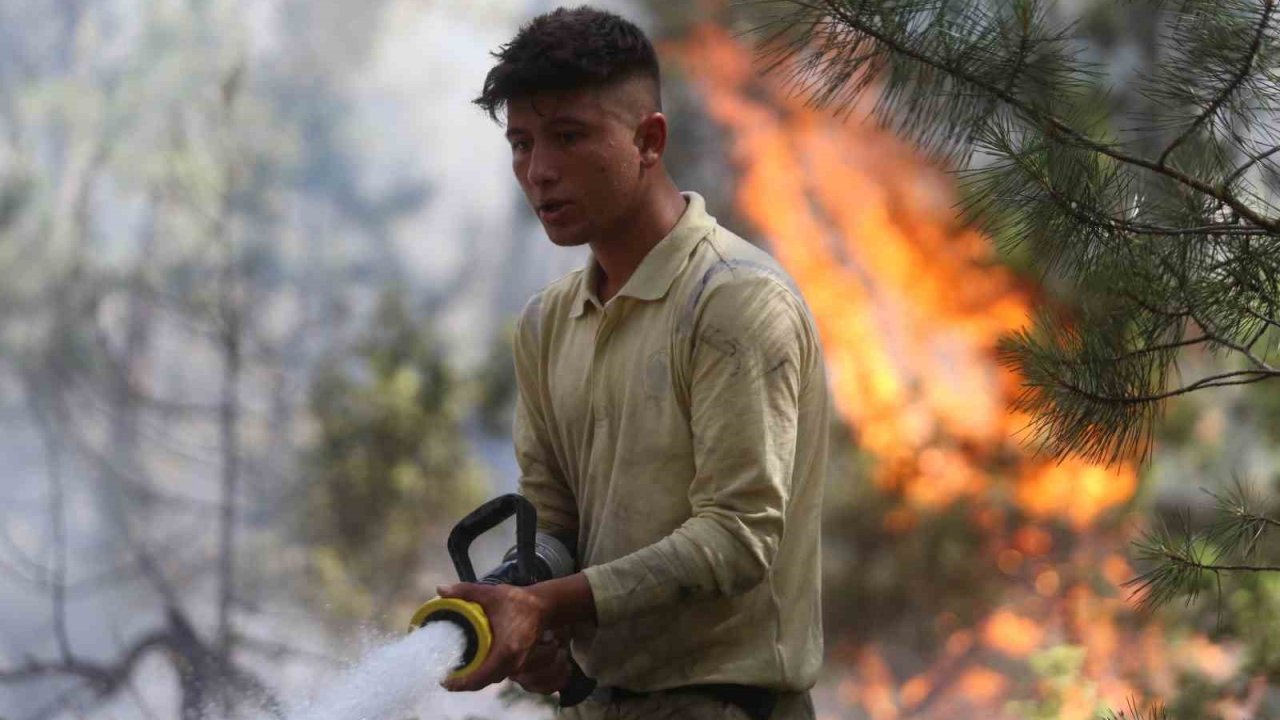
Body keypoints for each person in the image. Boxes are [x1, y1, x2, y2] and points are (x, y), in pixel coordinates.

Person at [435, 6, 829, 719]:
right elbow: (554, 522)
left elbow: (737, 538)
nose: (539, 172)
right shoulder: (548, 323)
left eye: (569, 137)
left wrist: (551, 601)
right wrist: (528, 604)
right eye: (521, 143)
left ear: (649, 140)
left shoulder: (733, 301)